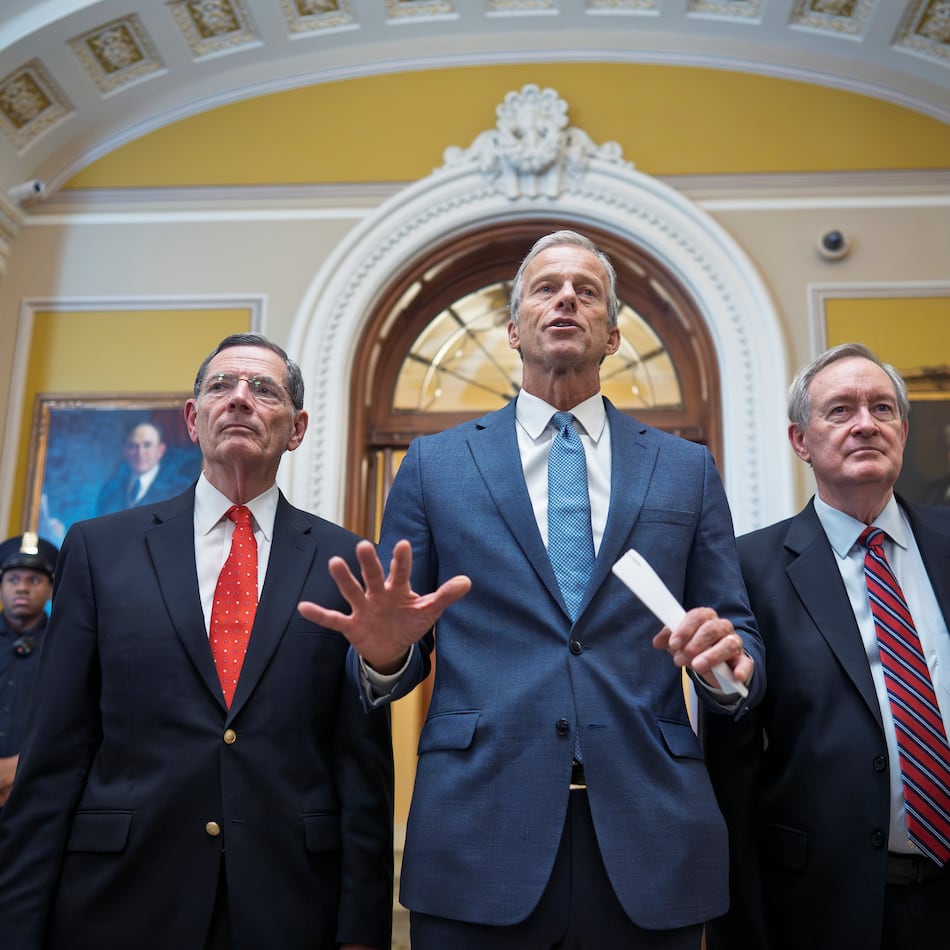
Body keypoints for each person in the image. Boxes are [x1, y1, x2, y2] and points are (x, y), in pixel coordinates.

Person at [300, 230, 763, 949]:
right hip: (478, 829)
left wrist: (730, 668)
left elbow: (734, 634)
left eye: (587, 290)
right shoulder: (433, 466)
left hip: (650, 830)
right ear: (515, 329)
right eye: (546, 288)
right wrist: (388, 657)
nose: (567, 298)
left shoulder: (684, 470)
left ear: (613, 334)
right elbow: (400, 642)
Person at [0, 333, 394, 950]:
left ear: (296, 428)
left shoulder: (345, 561)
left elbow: (361, 763)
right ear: (193, 418)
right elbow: (56, 750)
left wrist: (361, 931)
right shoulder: (101, 549)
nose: (239, 399)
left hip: (287, 902)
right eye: (221, 386)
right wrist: (15, 925)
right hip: (117, 899)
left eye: (263, 390)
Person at [703, 343, 950, 950]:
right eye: (840, 410)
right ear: (800, 441)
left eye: (882, 409)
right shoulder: (749, 567)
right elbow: (734, 763)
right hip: (824, 906)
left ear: (903, 430)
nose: (866, 423)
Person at [0, 532, 58, 807]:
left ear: (50, 589)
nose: (22, 588)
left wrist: (19, 766)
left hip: (35, 791)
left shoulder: (66, 646)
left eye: (33, 580)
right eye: (13, 580)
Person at [94, 420, 193, 516]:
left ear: (161, 450)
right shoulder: (109, 491)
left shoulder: (181, 488)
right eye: (133, 446)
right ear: (125, 450)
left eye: (147, 445)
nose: (140, 453)